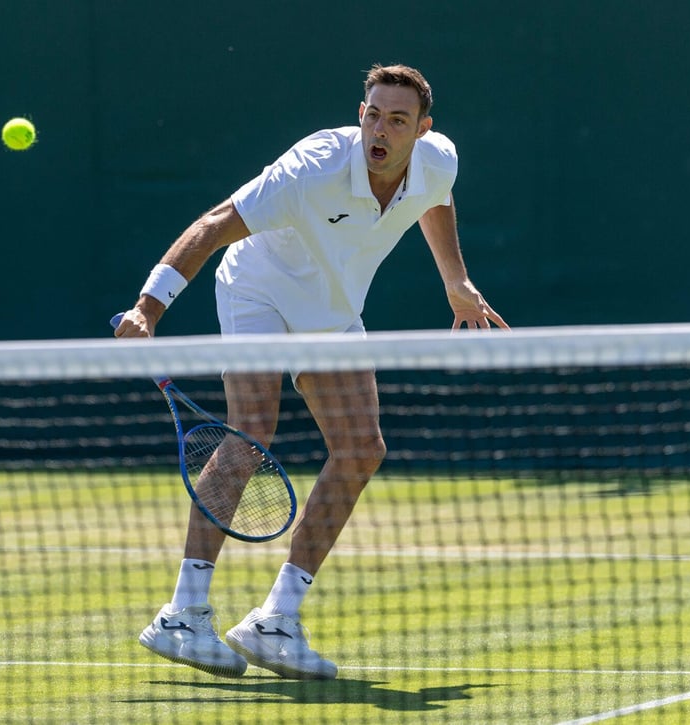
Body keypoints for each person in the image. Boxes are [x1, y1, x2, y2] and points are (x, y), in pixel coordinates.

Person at [115, 64, 508, 679]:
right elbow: (215, 224)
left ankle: (276, 621)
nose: (381, 128)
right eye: (373, 114)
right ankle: (182, 614)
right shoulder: (311, 169)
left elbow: (437, 198)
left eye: (398, 121)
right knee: (251, 433)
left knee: (360, 447)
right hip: (258, 289)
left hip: (332, 306)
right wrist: (148, 307)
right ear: (361, 113)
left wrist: (456, 282)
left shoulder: (438, 160)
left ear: (421, 130)